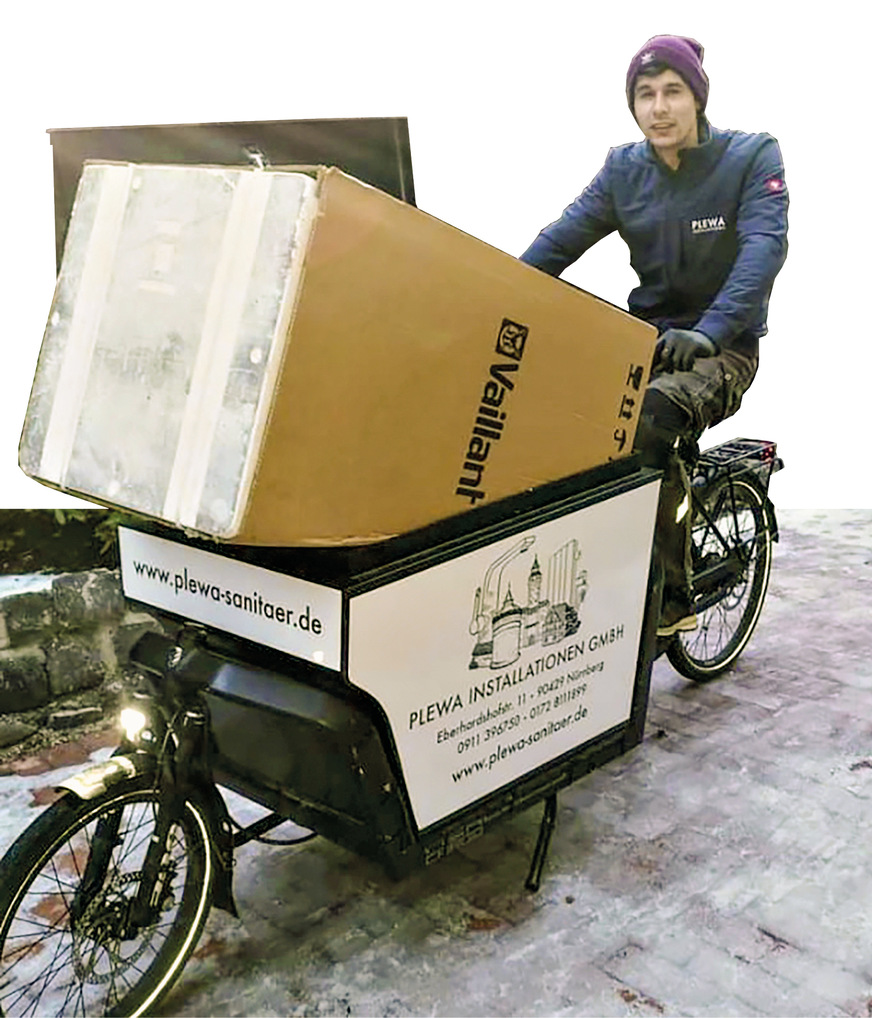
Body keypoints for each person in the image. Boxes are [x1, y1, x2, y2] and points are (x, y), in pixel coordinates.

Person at [519, 34, 788, 637]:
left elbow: (763, 250)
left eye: (673, 92)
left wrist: (713, 330)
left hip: (725, 347)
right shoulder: (623, 170)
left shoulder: (751, 158)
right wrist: (495, 291)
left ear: (697, 99)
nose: (659, 108)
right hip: (647, 338)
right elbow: (560, 239)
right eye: (646, 95)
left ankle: (672, 598)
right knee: (565, 418)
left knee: (652, 420)